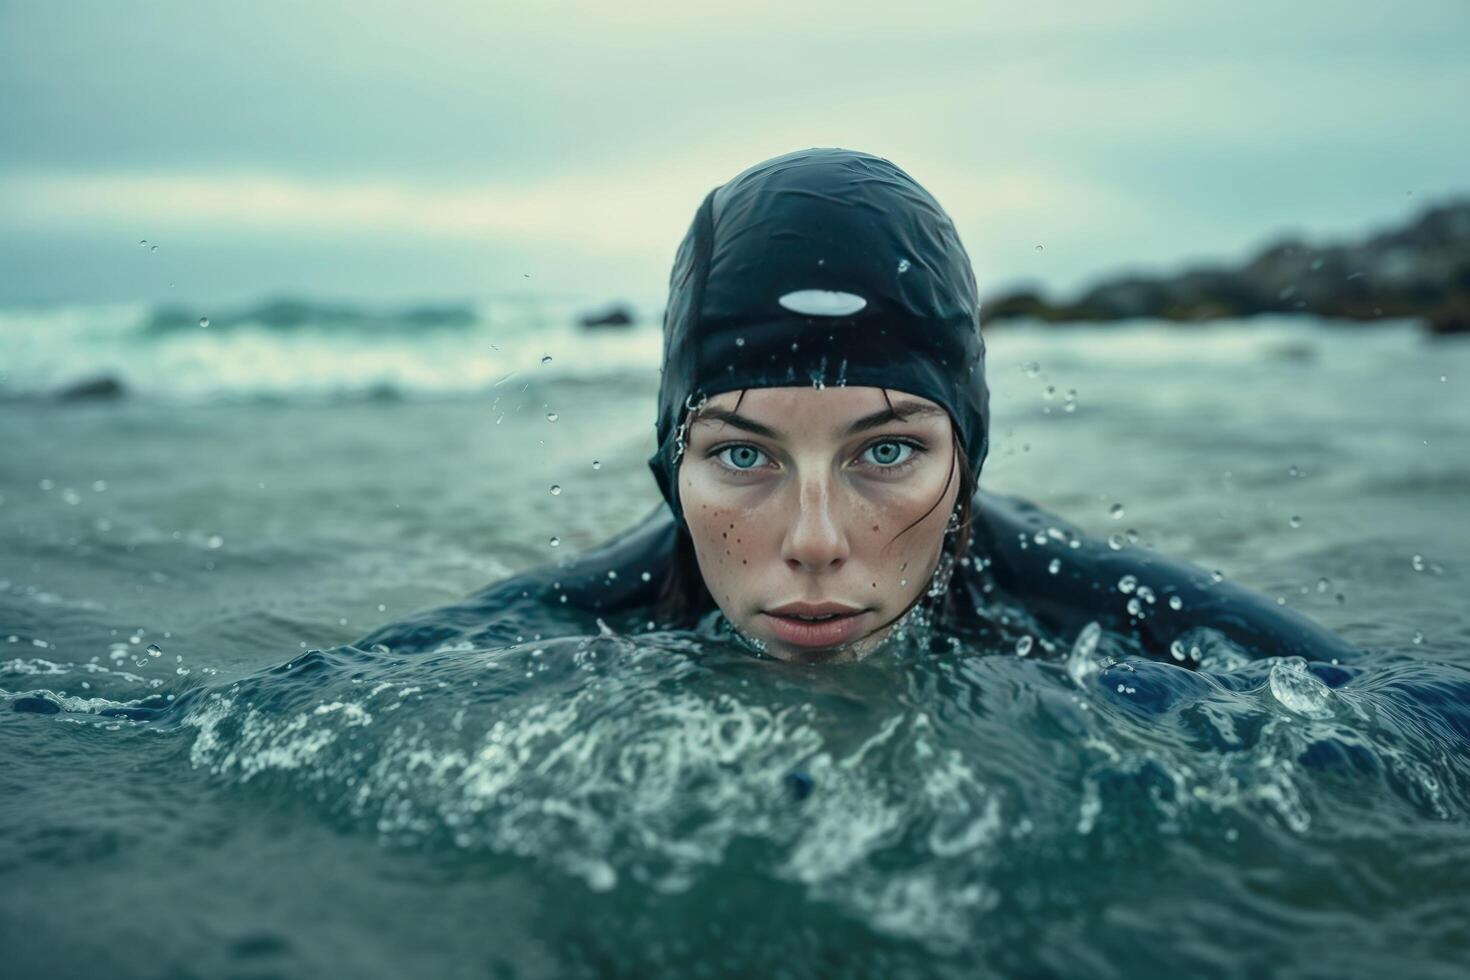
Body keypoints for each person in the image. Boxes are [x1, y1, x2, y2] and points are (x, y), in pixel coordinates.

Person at [360, 148, 1357, 666]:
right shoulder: (571, 620)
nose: (815, 540)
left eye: (885, 452)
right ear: (671, 465)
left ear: (969, 455)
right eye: (743, 458)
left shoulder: (1088, 601)